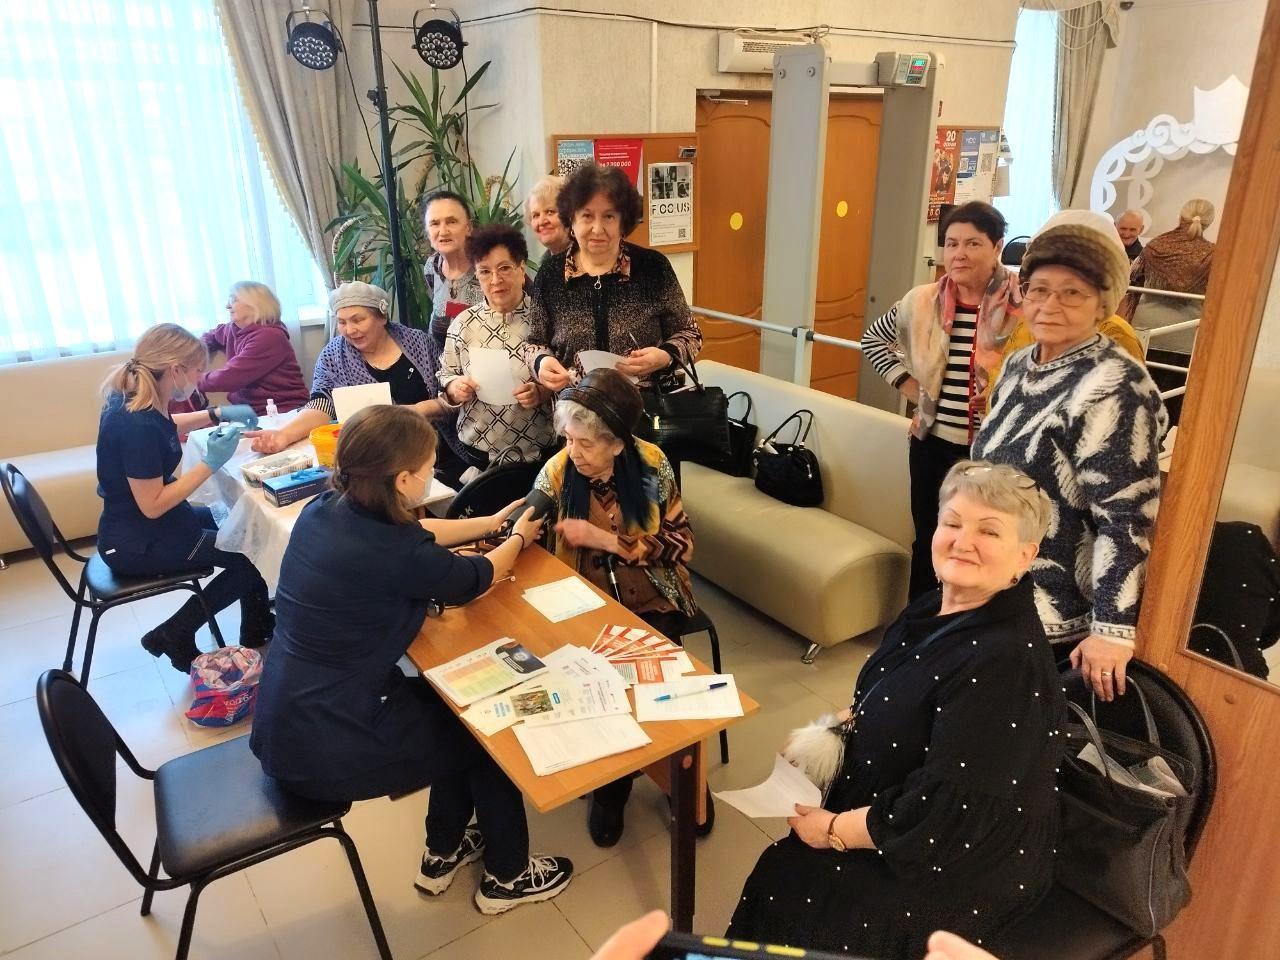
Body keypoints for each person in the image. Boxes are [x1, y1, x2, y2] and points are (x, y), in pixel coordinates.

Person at [727, 461, 1065, 960]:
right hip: (912, 804)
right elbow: (882, 696)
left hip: (958, 853)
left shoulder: (1006, 665)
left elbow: (948, 814)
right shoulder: (933, 607)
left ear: (1025, 556)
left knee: (790, 884)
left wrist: (832, 832)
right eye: (953, 523)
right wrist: (820, 733)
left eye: (989, 531)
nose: (963, 541)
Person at [249, 405, 573, 914]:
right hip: (327, 743)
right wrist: (515, 538)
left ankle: (442, 850)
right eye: (428, 466)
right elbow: (475, 578)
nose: (432, 471)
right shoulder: (394, 552)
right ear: (403, 480)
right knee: (488, 735)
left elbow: (415, 537)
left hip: (287, 715)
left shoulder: (325, 508)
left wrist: (488, 522)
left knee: (455, 713)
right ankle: (508, 877)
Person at [974, 210, 1167, 701]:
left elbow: (1127, 514)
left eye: (1072, 293)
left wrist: (1112, 629)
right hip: (995, 583)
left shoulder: (1114, 385)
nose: (1049, 305)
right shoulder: (1020, 364)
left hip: (1051, 610)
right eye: (1039, 289)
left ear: (1103, 302)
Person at [530, 369, 700, 846]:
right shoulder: (558, 472)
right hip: (582, 602)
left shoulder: (651, 464)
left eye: (586, 443)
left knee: (659, 687)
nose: (573, 452)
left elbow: (682, 545)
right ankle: (612, 787)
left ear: (618, 444)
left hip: (653, 595)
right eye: (568, 439)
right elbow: (525, 533)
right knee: (600, 688)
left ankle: (682, 777)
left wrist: (606, 540)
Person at [861, 201, 1022, 601]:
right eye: (951, 244)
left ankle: (969, 622)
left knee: (985, 545)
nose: (959, 254)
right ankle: (921, 620)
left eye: (972, 243)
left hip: (996, 450)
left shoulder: (1024, 304)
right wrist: (909, 386)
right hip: (931, 444)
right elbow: (873, 340)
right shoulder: (921, 301)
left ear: (997, 246)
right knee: (930, 537)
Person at [96, 323, 272, 670]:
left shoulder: (137, 397)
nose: (200, 378)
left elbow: (164, 425)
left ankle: (257, 626)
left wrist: (215, 414)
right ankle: (174, 632)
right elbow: (153, 505)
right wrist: (210, 462)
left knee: (247, 526)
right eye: (197, 371)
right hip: (138, 542)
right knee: (250, 555)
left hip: (152, 523)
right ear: (176, 370)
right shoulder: (136, 426)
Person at [246, 282, 458, 476]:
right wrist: (283, 435)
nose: (349, 330)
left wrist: (417, 410)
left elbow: (452, 394)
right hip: (377, 459)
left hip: (436, 448)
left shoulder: (419, 343)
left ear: (382, 318)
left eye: (358, 320)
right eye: (342, 322)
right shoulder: (333, 356)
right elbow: (321, 404)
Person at [523, 163, 703, 392]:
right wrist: (541, 363)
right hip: (575, 408)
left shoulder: (653, 267)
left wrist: (665, 356)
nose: (598, 229)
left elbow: (691, 333)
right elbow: (535, 343)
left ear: (622, 222)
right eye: (587, 216)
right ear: (571, 220)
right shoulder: (550, 274)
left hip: (644, 407)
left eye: (609, 216)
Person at [437, 224, 555, 466]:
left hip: (540, 453)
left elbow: (570, 377)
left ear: (521, 268)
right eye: (484, 272)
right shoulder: (463, 323)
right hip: (477, 454)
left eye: (504, 268)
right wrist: (454, 388)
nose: (495, 280)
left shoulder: (546, 317)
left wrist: (542, 392)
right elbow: (446, 375)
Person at [422, 190, 486, 478]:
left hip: (485, 390)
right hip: (447, 387)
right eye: (435, 223)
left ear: (468, 227)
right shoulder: (432, 268)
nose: (443, 230)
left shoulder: (488, 267)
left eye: (451, 221)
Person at [197, 281, 309, 415]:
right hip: (250, 411)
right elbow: (212, 335)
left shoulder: (270, 336)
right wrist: (193, 351)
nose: (227, 306)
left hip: (282, 409)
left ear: (255, 304)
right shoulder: (233, 328)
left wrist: (191, 380)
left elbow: (231, 376)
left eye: (234, 300)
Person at [525, 174, 570, 256]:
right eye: (536, 215)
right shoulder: (548, 262)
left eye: (550, 212)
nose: (541, 222)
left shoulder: (584, 260)